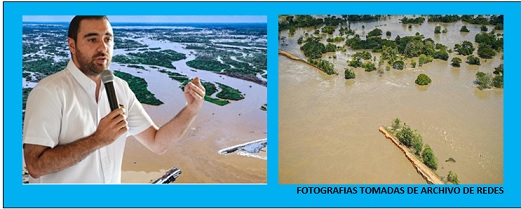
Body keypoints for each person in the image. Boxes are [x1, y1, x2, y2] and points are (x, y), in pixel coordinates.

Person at [22, 16, 206, 183]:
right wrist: (97, 139)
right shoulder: (49, 92)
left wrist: (191, 110)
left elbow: (158, 143)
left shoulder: (120, 88)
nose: (103, 47)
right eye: (92, 39)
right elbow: (35, 166)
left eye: (108, 39)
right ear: (72, 45)